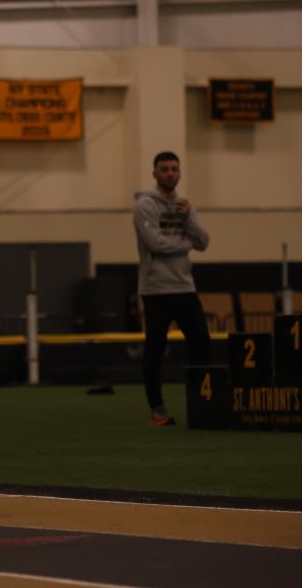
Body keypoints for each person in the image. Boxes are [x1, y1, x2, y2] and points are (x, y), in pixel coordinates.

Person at [133, 151, 210, 427]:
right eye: (164, 169)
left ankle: (201, 402)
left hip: (185, 287)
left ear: (179, 173)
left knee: (202, 343)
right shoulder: (145, 205)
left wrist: (189, 219)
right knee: (156, 349)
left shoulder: (185, 206)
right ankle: (157, 408)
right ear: (154, 173)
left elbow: (204, 242)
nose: (170, 173)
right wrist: (186, 243)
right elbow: (156, 244)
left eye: (174, 169)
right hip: (156, 289)